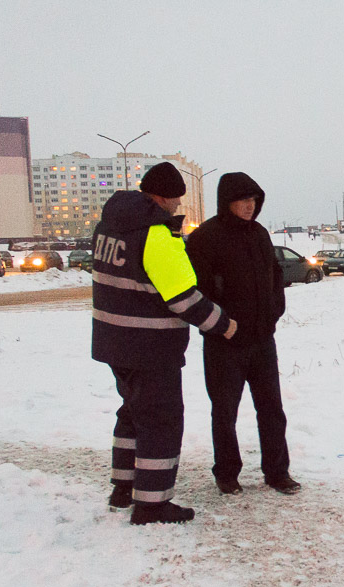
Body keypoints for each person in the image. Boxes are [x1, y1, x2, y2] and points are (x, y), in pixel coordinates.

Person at [91, 162, 238, 526]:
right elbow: (183, 299)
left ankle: (123, 488)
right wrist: (224, 325)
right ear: (161, 196)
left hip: (114, 341)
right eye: (174, 200)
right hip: (150, 346)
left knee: (132, 414)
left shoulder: (110, 225)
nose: (176, 207)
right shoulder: (156, 235)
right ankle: (152, 505)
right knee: (161, 421)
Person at [186, 172, 300, 496]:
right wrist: (222, 324)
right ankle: (227, 473)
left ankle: (277, 472)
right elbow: (197, 290)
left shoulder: (260, 234)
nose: (250, 207)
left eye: (254, 201)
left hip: (262, 340)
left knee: (272, 410)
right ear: (227, 202)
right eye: (243, 201)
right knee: (225, 412)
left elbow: (275, 276)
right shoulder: (205, 238)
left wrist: (275, 311)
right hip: (225, 343)